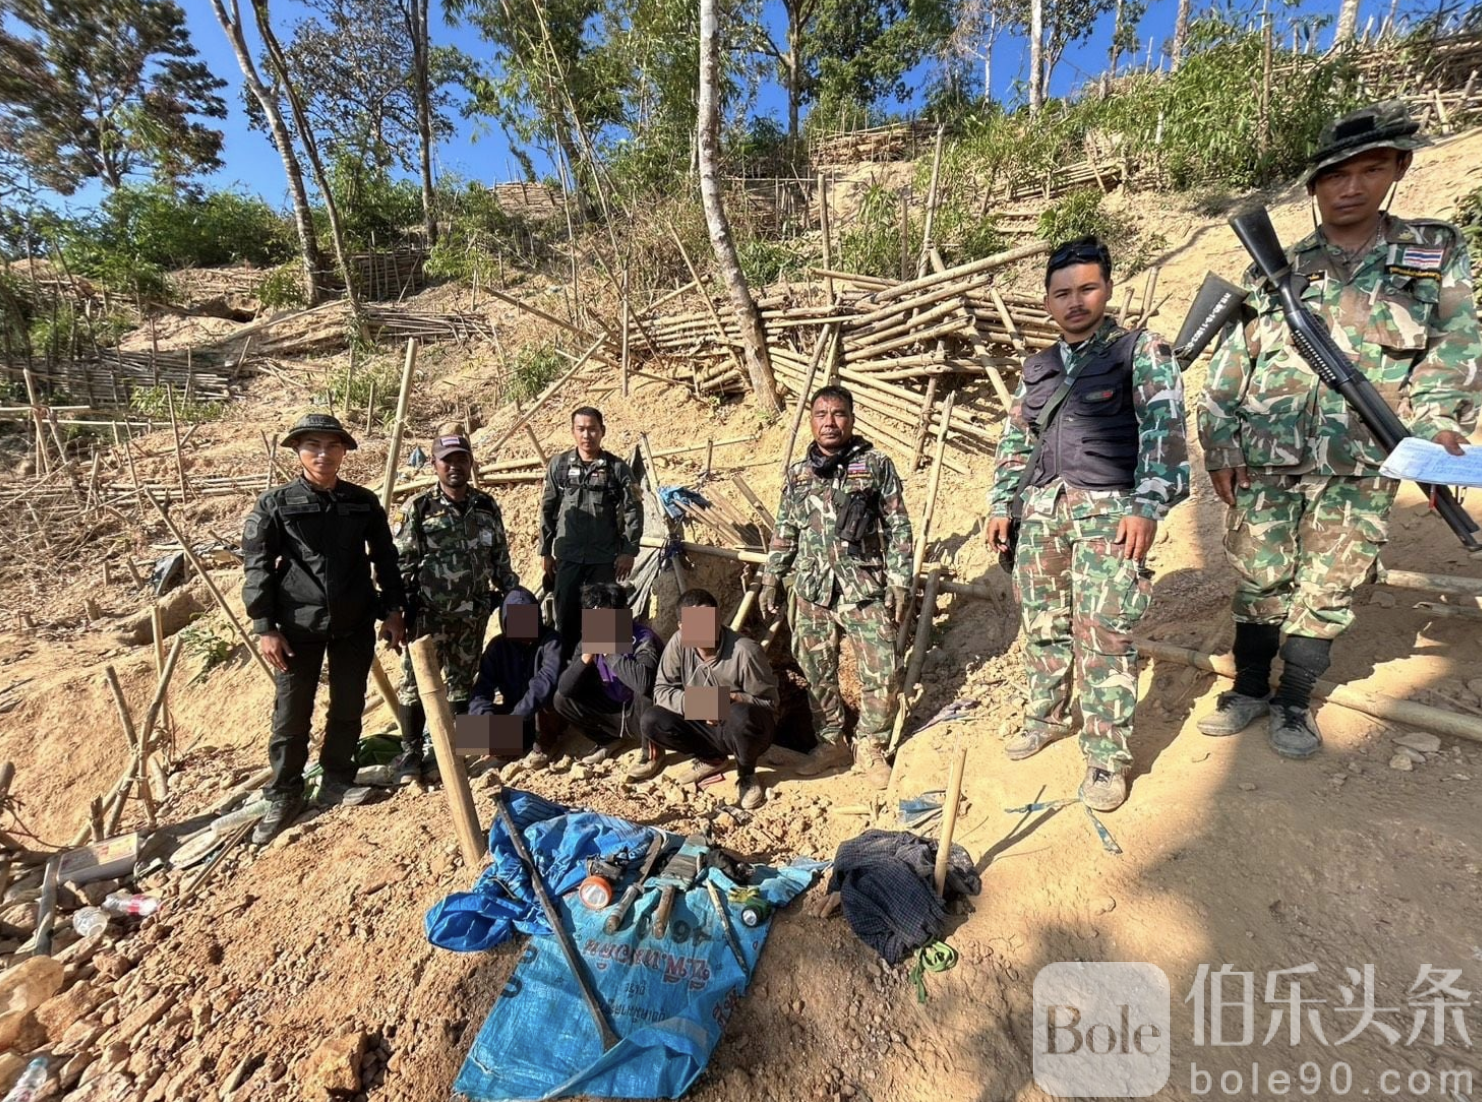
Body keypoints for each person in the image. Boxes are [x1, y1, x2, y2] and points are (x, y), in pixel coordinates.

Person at [1198, 101, 1479, 760]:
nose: (1351, 187)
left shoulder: (1431, 251)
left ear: (1398, 168)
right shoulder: (1279, 267)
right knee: (1260, 575)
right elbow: (1233, 360)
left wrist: (1436, 431)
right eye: (1334, 176)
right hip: (1268, 453)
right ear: (1314, 187)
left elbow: (1454, 349)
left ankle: (1294, 700)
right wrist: (1221, 442)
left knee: (1331, 584)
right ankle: (1248, 688)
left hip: (1364, 454)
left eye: (1370, 170)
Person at [985, 237, 1190, 812]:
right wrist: (1002, 503)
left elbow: (1165, 430)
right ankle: (1046, 717)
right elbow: (1015, 439)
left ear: (1107, 289)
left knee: (1104, 633)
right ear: (1047, 302)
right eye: (1062, 293)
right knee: (1043, 622)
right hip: (1041, 513)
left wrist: (1148, 505)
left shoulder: (1140, 350)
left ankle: (1106, 758)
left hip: (1110, 514)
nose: (1075, 302)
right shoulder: (1039, 368)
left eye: (1087, 289)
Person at [242, 412, 407, 844]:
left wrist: (393, 610)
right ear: (297, 451)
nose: (323, 454)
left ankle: (337, 778)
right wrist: (265, 625)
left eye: (333, 445)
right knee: (291, 713)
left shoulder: (362, 502)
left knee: (349, 704)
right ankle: (285, 792)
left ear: (344, 452)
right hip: (297, 626)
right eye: (313, 445)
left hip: (354, 621)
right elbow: (258, 565)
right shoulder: (275, 504)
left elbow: (385, 557)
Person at [759, 385, 914, 790]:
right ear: (811, 421)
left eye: (839, 413)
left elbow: (898, 526)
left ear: (852, 419)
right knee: (816, 671)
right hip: (812, 588)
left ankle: (870, 746)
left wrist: (900, 581)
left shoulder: (875, 465)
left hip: (863, 586)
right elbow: (785, 530)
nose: (830, 422)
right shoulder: (798, 474)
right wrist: (772, 577)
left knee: (881, 667)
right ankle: (831, 743)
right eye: (821, 414)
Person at [392, 424, 518, 785]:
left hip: (472, 615)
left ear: (470, 462)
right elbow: (402, 565)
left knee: (462, 684)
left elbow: (500, 560)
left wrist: (515, 597)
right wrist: (398, 612)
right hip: (427, 616)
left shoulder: (485, 506)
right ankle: (411, 752)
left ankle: (450, 751)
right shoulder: (419, 508)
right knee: (414, 683)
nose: (454, 466)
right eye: (447, 460)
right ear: (434, 464)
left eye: (461, 459)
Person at [640, 588, 780, 809]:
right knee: (652, 719)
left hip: (743, 728)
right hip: (705, 724)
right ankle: (711, 758)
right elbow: (661, 690)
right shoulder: (678, 643)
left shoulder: (745, 651)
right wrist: (704, 704)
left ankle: (747, 775)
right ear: (682, 627)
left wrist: (731, 699)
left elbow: (770, 704)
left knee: (740, 716)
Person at [539, 407, 644, 663]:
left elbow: (634, 509)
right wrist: (545, 551)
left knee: (606, 627)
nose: (587, 435)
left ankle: (610, 679)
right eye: (581, 429)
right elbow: (547, 509)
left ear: (602, 431)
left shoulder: (617, 468)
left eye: (593, 429)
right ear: (573, 432)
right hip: (568, 559)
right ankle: (568, 676)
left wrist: (629, 551)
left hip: (604, 560)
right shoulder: (559, 465)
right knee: (566, 621)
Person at [551, 582, 662, 780]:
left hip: (641, 714)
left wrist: (609, 652)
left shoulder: (643, 638)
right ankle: (607, 741)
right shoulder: (588, 641)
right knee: (561, 699)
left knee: (646, 689)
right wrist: (585, 659)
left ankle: (651, 754)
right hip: (612, 712)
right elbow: (565, 689)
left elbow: (644, 683)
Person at [468, 586, 563, 768]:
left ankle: (544, 745)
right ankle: (504, 747)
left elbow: (545, 681)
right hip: (513, 717)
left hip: (540, 716)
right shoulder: (497, 648)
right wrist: (486, 721)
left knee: (549, 698)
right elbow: (481, 690)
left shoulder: (551, 641)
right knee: (470, 730)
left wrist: (516, 719)